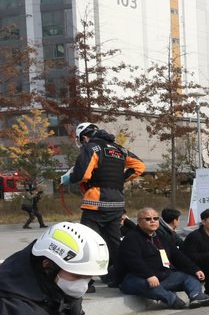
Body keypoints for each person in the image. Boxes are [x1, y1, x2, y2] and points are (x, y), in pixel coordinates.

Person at [62, 122, 146, 287]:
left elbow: (83, 174)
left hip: (96, 202)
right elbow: (139, 166)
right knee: (114, 241)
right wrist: (121, 179)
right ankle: (118, 276)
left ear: (84, 137)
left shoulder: (91, 147)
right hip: (117, 203)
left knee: (88, 241)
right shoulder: (119, 149)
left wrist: (68, 179)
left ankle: (87, 281)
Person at [117, 208, 209, 310]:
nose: (153, 221)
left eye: (156, 218)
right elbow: (133, 261)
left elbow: (177, 256)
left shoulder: (161, 237)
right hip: (136, 278)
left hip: (161, 277)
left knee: (189, 277)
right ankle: (173, 300)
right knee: (146, 284)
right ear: (139, 221)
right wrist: (148, 275)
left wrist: (195, 269)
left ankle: (196, 296)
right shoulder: (131, 238)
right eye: (148, 219)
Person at [181, 207, 209, 297]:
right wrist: (208, 255)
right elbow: (189, 256)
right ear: (204, 222)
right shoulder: (195, 236)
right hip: (195, 266)